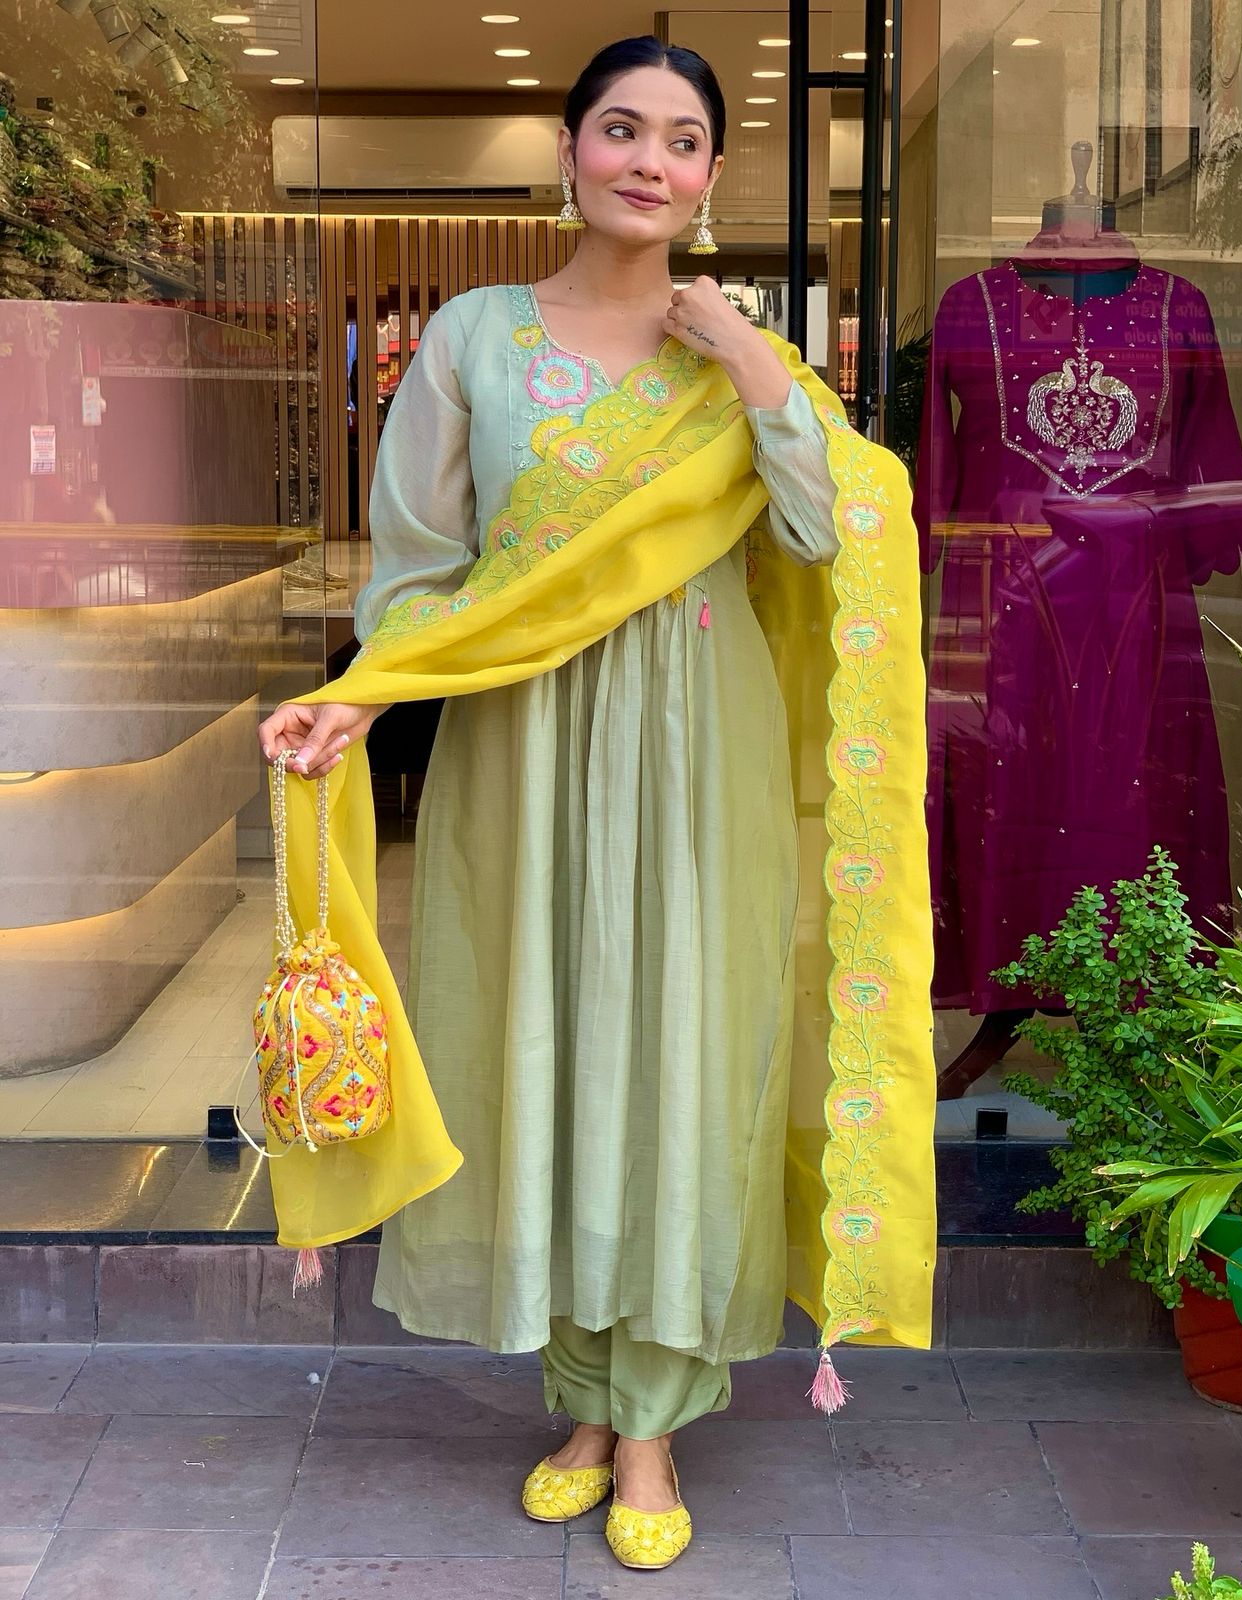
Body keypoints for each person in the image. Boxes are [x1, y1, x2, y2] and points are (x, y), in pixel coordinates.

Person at [259, 35, 931, 1573]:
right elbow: (421, 569)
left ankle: (651, 1425)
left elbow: (836, 531)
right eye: (621, 129)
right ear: (569, 151)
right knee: (545, 1049)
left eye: (682, 140)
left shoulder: (743, 356)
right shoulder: (475, 340)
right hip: (524, 742)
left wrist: (751, 359)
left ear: (710, 178)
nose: (649, 160)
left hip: (700, 748)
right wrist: (363, 694)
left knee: (678, 1056)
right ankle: (578, 1400)